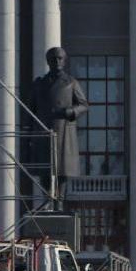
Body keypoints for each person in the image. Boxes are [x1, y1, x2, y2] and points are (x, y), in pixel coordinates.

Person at [31, 48, 89, 203]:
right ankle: (47, 200)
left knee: (62, 168)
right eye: (53, 59)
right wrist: (29, 133)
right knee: (45, 168)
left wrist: (69, 112)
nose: (57, 62)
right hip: (44, 131)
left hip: (64, 130)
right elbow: (30, 110)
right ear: (48, 61)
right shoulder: (39, 83)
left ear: (64, 60)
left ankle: (60, 201)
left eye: (60, 58)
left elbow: (83, 105)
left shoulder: (71, 82)